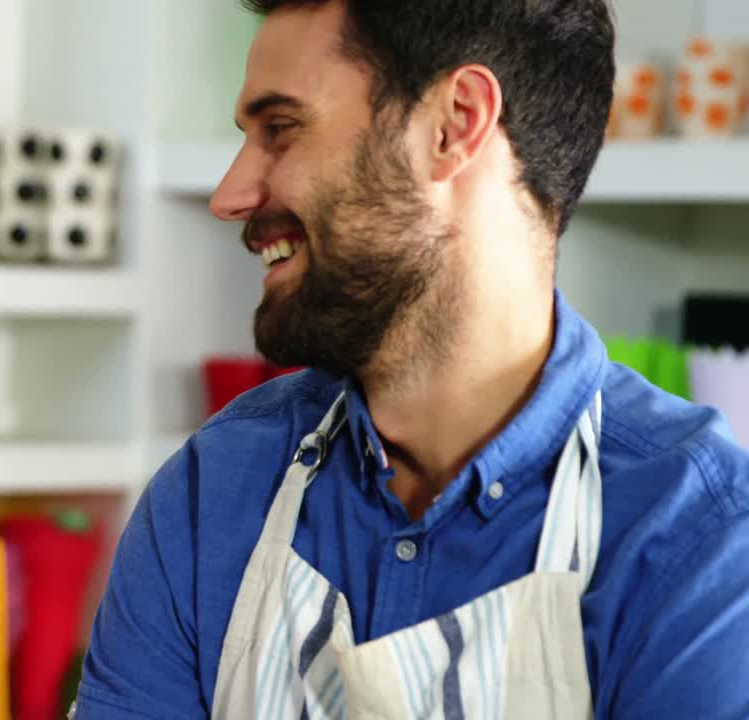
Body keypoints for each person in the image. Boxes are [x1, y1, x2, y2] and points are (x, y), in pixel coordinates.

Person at [76, 1, 749, 718]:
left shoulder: (698, 542)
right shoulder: (213, 491)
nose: (230, 195)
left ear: (454, 124)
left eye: (281, 129)